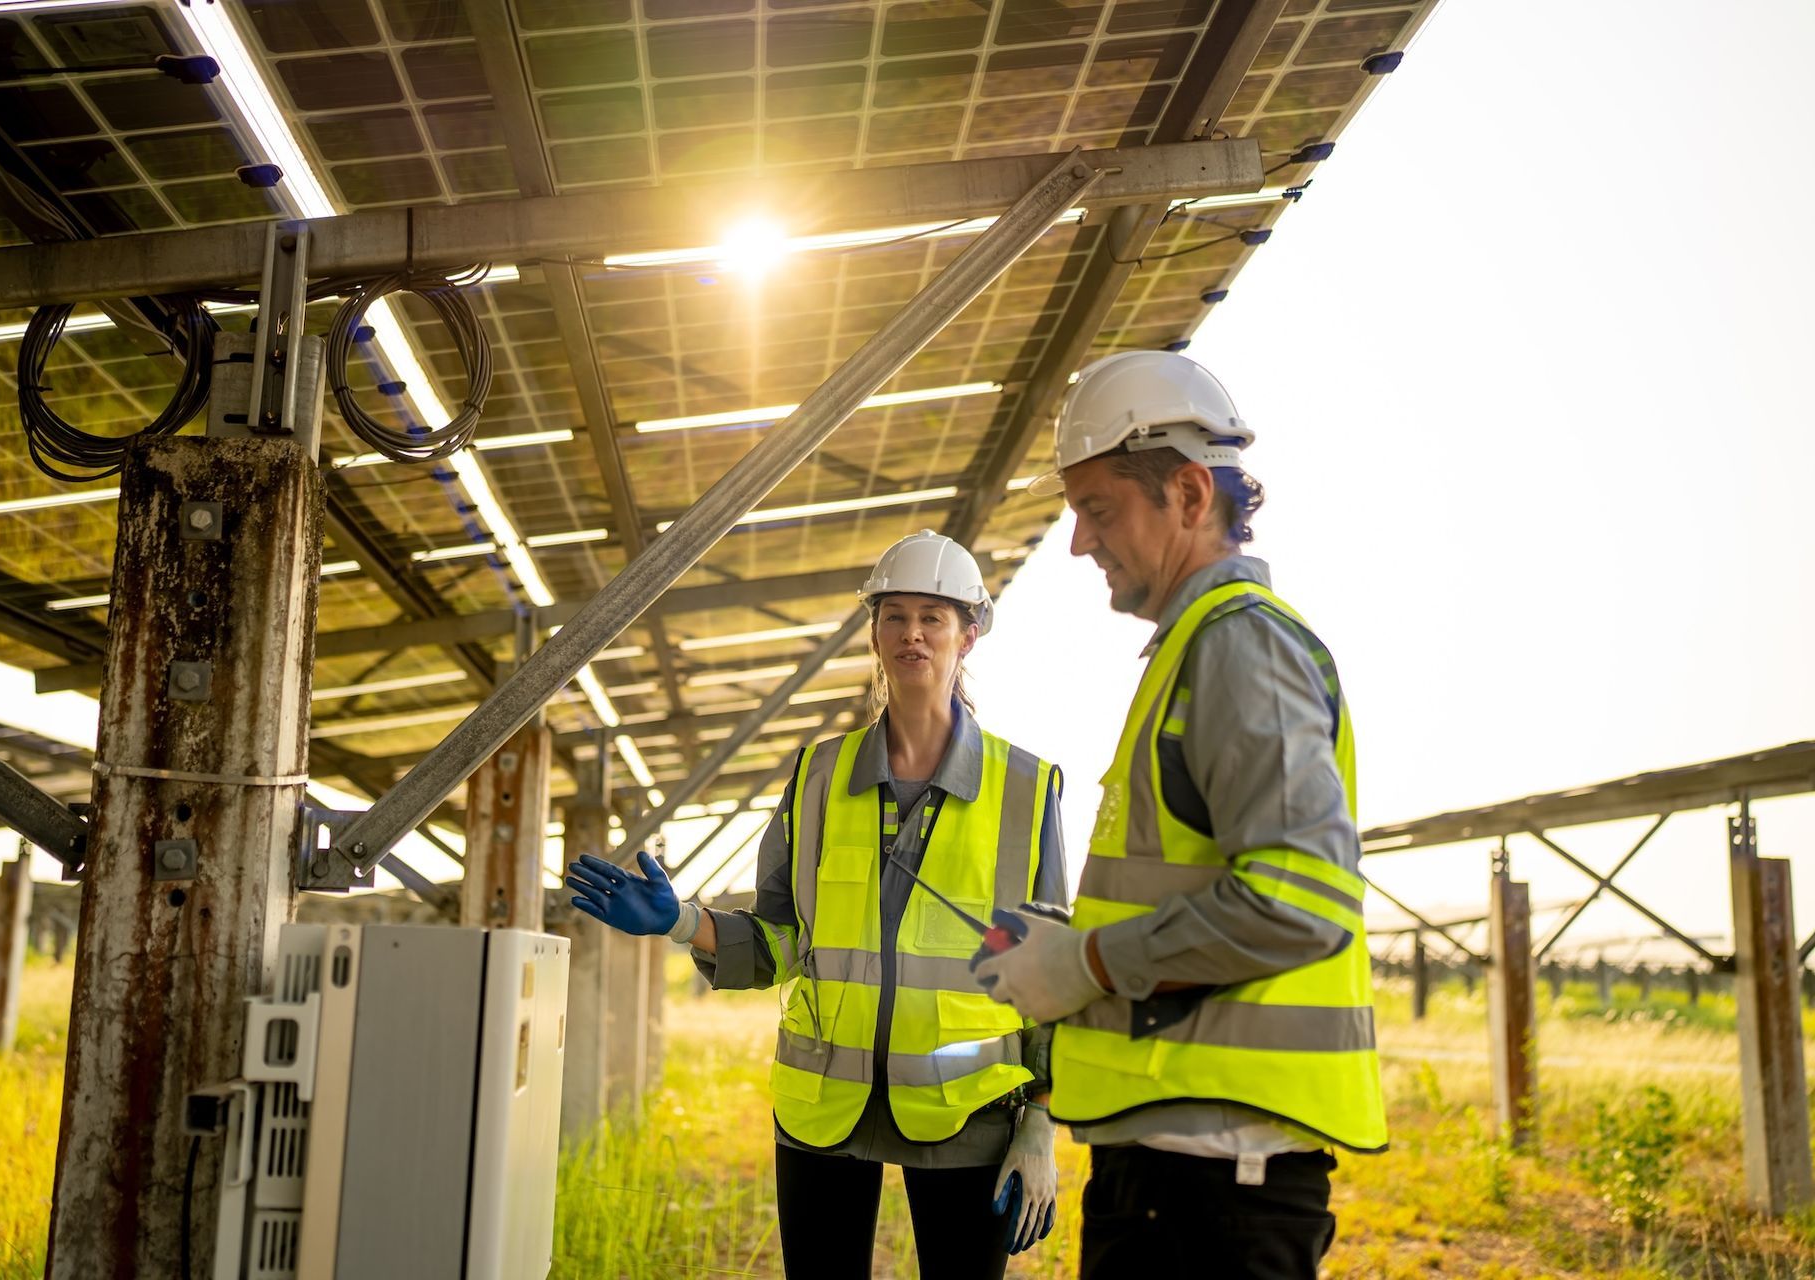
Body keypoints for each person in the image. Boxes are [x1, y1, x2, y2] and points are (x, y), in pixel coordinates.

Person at [970, 351, 1387, 1279]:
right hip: (1177, 1173)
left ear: (1191, 494)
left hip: (1218, 1186)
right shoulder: (1191, 650)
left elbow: (1297, 903)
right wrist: (1066, 942)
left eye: (1100, 509)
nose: (1079, 542)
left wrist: (1082, 965)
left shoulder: (1240, 647)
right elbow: (1200, 891)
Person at [565, 529, 1069, 1279]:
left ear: (970, 634)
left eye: (933, 616)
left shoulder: (1026, 789)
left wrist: (1040, 1122)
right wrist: (680, 921)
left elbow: (1052, 977)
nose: (912, 633)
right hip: (823, 1109)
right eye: (894, 615)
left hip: (970, 1112)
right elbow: (780, 939)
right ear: (873, 634)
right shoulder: (816, 778)